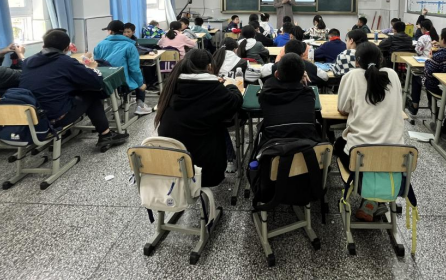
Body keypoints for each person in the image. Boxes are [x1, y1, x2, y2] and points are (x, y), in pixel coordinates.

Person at [20, 29, 128, 149]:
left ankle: (70, 132)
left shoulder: (27, 62)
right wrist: (92, 68)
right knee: (91, 93)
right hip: (54, 118)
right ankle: (105, 134)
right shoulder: (65, 62)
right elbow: (96, 82)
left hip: (29, 116)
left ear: (43, 45)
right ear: (67, 48)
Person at [333, 42, 405, 221]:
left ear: (356, 62)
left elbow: (342, 108)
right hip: (396, 156)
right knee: (376, 157)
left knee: (338, 145)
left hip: (360, 157)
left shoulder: (351, 76)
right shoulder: (393, 75)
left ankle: (367, 194)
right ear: (381, 59)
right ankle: (373, 199)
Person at [155, 49, 243, 187]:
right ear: (209, 67)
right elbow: (235, 101)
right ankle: (231, 160)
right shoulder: (213, 89)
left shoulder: (172, 84)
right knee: (219, 125)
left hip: (170, 166)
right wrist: (231, 86)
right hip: (203, 172)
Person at [256, 53, 321, 147]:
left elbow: (267, 86)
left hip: (274, 149)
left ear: (276, 74)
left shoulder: (266, 95)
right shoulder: (309, 94)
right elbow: (302, 88)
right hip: (305, 150)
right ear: (302, 76)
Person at [94, 20, 150, 116]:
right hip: (122, 83)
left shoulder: (99, 45)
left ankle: (100, 112)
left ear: (110, 32)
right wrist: (140, 84)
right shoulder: (130, 46)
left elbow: (97, 64)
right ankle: (140, 105)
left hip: (104, 81)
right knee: (139, 74)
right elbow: (134, 69)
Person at [407, 19, 440, 116]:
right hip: (437, 72)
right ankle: (432, 105)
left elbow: (418, 50)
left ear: (423, 28)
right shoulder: (436, 37)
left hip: (425, 65)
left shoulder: (423, 37)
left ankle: (415, 105)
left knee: (416, 76)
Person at [262, 40, 328, 86]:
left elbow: (261, 72)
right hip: (302, 99)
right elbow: (325, 77)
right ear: (302, 54)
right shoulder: (311, 67)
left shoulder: (273, 67)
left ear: (285, 53)